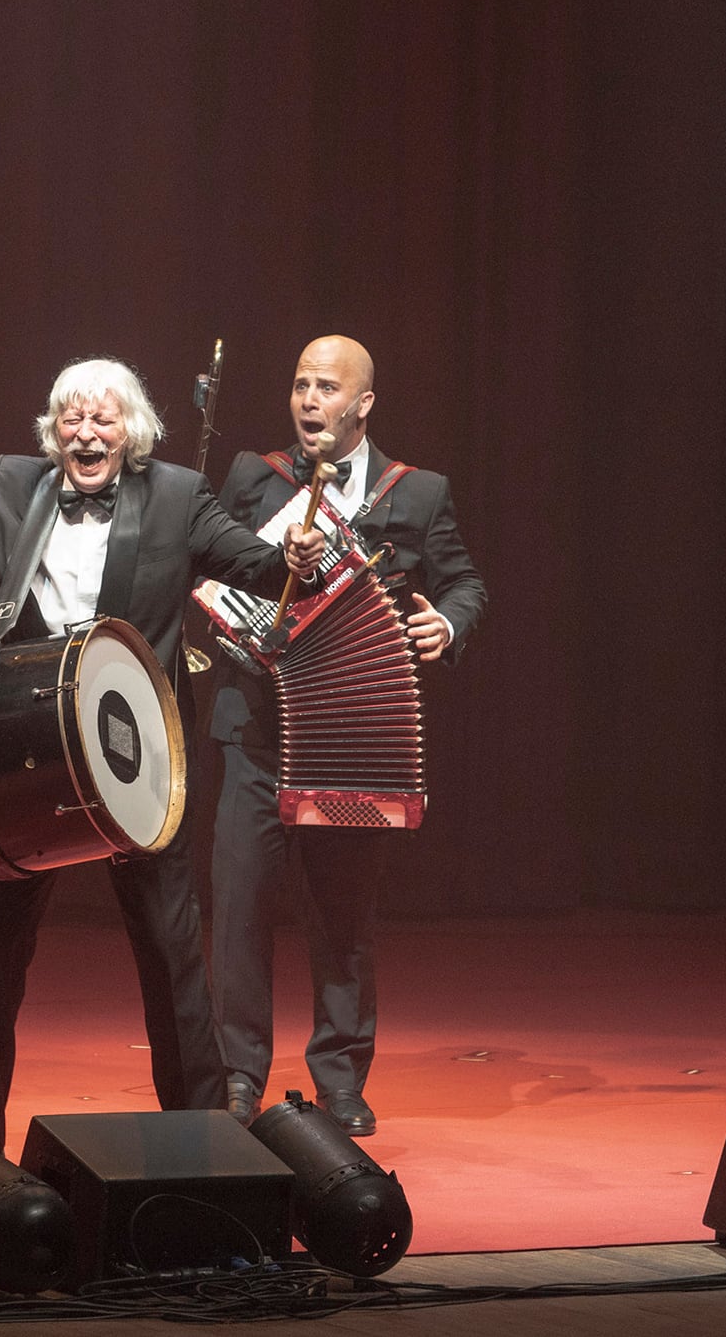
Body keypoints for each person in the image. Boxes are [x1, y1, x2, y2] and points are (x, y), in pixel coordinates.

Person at [0, 356, 323, 1151]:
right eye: (72, 420)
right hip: (18, 753)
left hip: (137, 753)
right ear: (52, 433)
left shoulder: (179, 495)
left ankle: (204, 1147)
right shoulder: (8, 485)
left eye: (104, 420)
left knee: (171, 948)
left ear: (132, 432)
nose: (87, 433)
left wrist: (296, 558)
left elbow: (253, 563)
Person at [205, 335, 488, 1137]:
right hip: (253, 725)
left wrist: (449, 622)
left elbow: (464, 581)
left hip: (351, 734)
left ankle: (340, 1079)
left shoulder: (419, 492)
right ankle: (238, 1076)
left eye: (326, 387)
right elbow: (209, 561)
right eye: (299, 384)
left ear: (363, 403)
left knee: (341, 917)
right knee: (239, 909)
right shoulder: (255, 479)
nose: (308, 401)